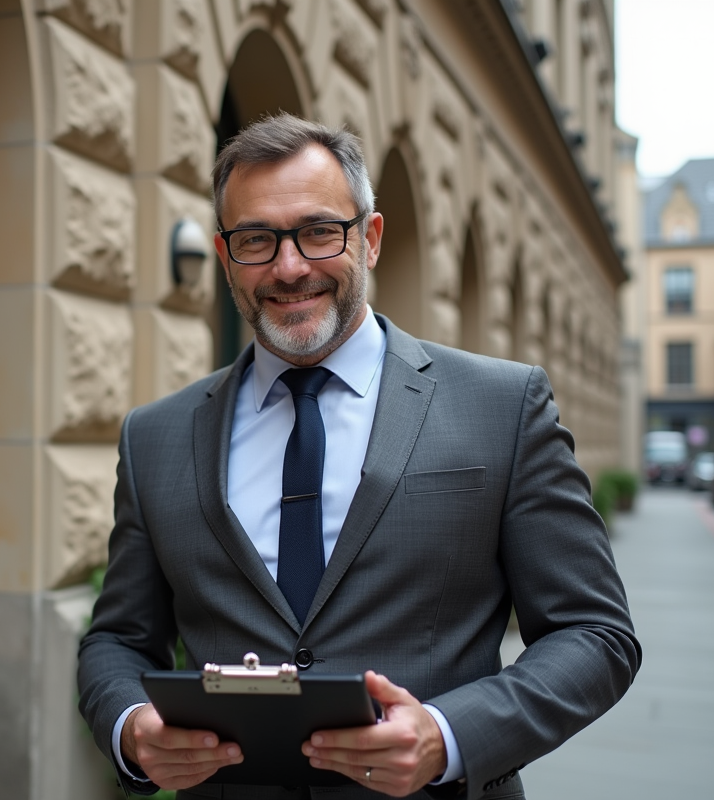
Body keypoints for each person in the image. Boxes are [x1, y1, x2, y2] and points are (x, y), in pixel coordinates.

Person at [77, 113, 640, 799]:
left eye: (319, 231)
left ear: (369, 239)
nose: (289, 267)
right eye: (256, 240)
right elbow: (116, 640)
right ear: (226, 258)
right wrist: (132, 728)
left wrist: (447, 736)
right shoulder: (153, 437)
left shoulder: (503, 406)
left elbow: (594, 633)